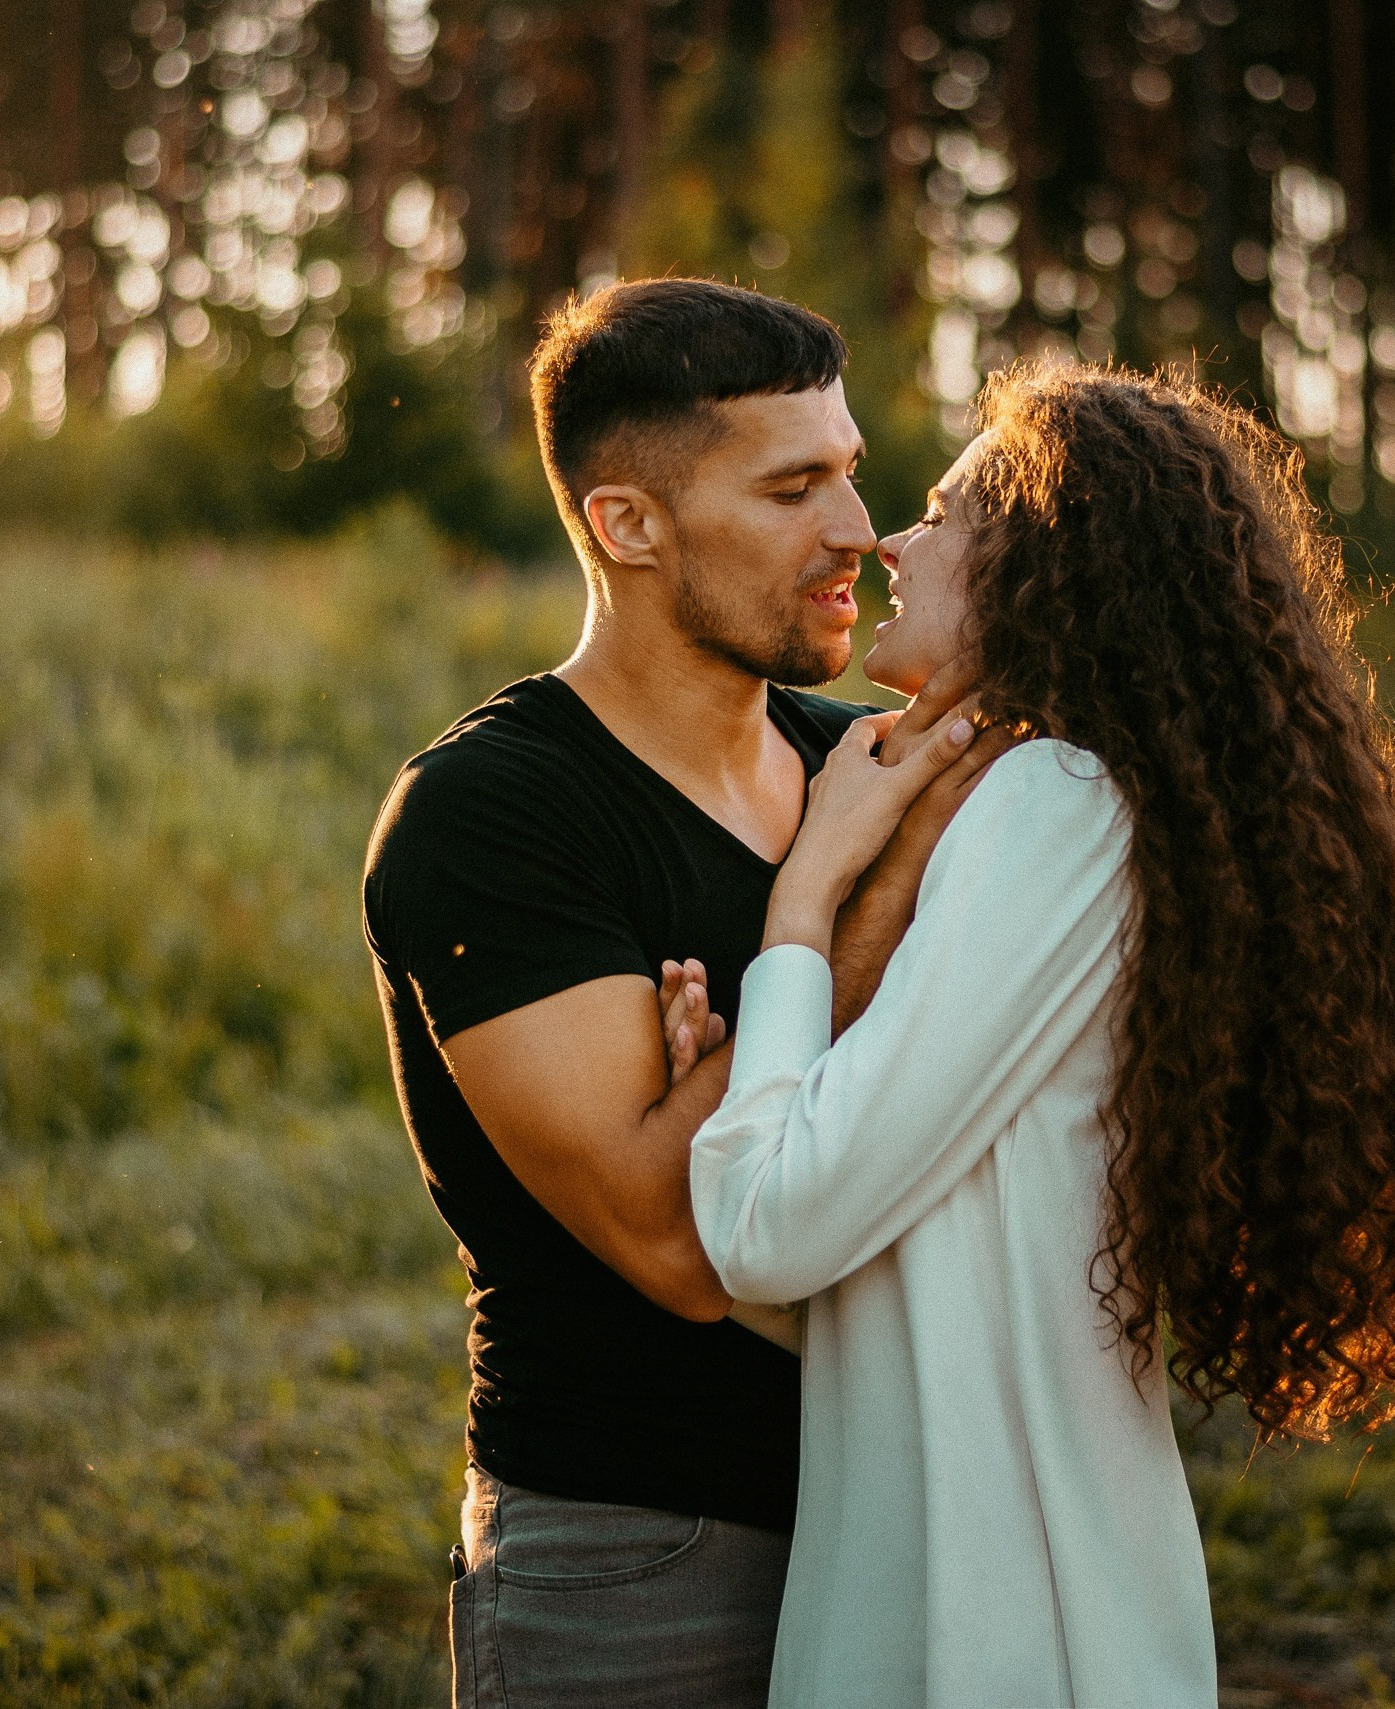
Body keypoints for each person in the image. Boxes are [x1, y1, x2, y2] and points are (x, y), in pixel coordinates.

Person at [684, 361, 1395, 1706]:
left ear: (1041, 566)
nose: (893, 537)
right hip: (1021, 1585)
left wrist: (804, 899)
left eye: (941, 514)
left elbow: (768, 1227)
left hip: (994, 1615)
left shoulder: (1053, 803)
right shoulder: (1061, 801)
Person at [359, 279, 1012, 1708]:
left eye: (848, 472)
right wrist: (832, 908)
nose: (857, 529)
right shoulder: (495, 813)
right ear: (629, 524)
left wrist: (735, 1047)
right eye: (792, 488)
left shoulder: (863, 756)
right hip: (638, 1557)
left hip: (908, 1519)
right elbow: (680, 1238)